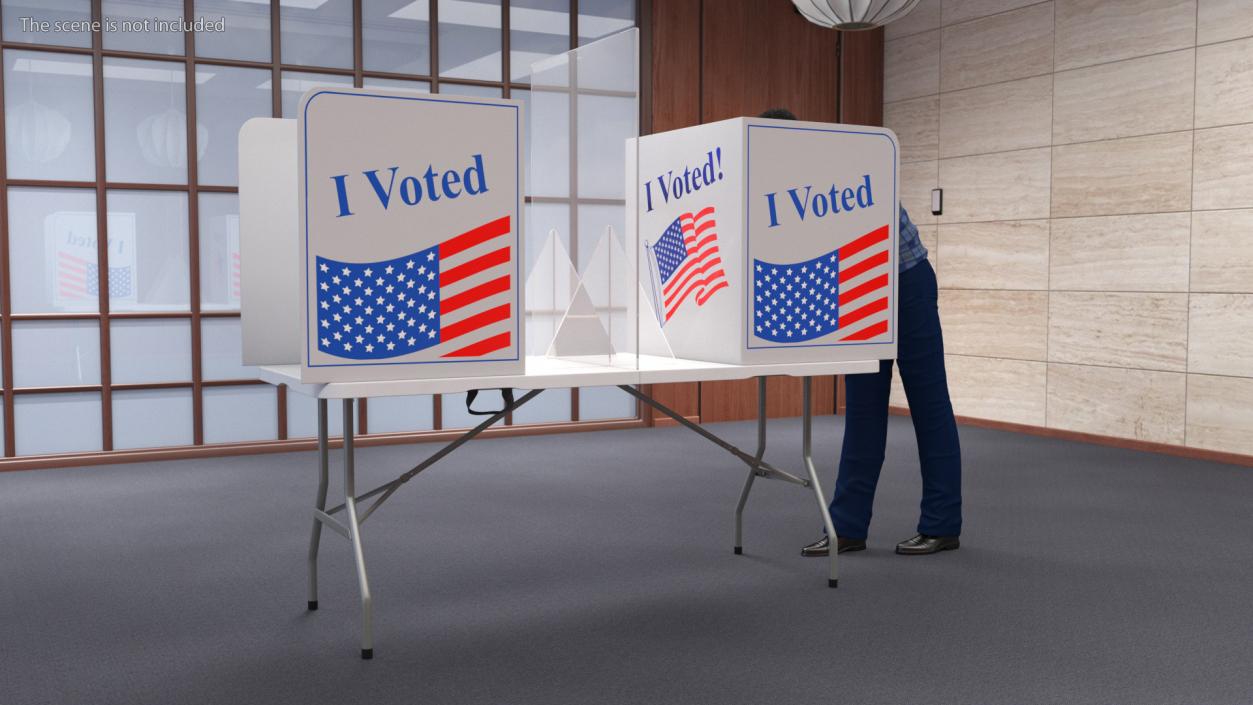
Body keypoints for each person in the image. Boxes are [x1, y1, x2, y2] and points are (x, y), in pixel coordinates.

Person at [758, 108, 962, 557]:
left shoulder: (844, 162)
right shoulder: (784, 178)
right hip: (860, 287)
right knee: (864, 409)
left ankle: (942, 524)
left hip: (904, 280)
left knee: (929, 402)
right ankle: (848, 527)